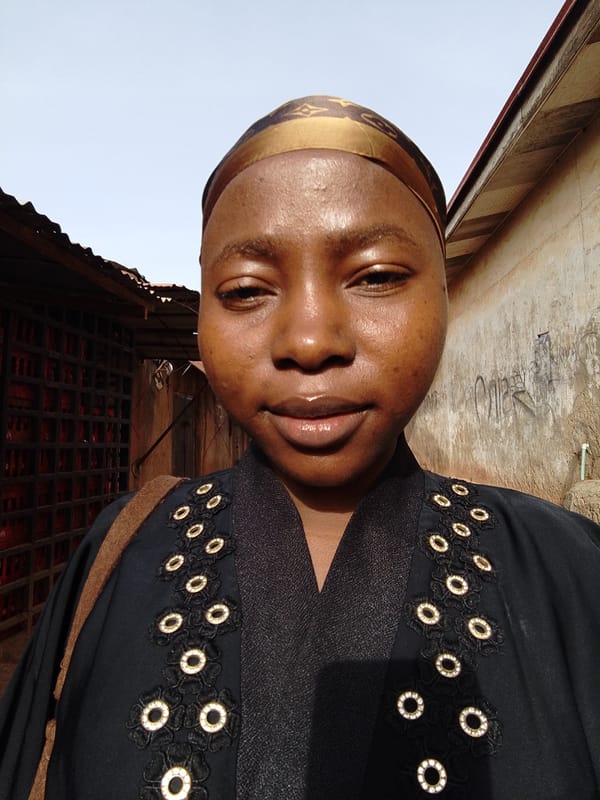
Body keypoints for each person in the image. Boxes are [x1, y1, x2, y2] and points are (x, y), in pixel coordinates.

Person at [1, 96, 599, 800]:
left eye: (375, 276)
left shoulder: (569, 571)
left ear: (444, 291)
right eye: (248, 290)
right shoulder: (116, 552)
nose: (310, 341)